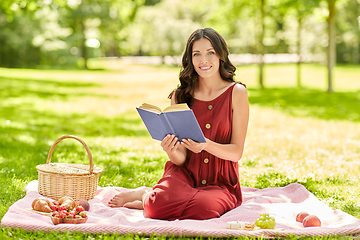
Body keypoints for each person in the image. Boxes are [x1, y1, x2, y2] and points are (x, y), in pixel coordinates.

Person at [108, 28, 249, 220]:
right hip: (184, 175)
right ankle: (147, 196)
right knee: (156, 210)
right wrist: (171, 150)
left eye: (210, 53)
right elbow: (181, 159)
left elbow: (236, 152)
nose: (203, 60)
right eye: (196, 54)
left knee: (205, 209)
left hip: (221, 182)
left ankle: (150, 199)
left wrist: (205, 145)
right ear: (190, 59)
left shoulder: (236, 92)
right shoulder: (181, 96)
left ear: (220, 55)